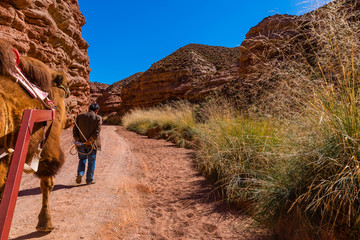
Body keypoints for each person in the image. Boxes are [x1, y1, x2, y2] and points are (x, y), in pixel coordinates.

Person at [73, 103, 102, 184]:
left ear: (89, 108)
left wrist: (77, 139)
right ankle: (89, 179)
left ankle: (80, 174)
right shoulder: (98, 118)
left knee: (82, 159)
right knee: (91, 162)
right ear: (97, 110)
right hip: (92, 145)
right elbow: (97, 132)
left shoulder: (80, 117)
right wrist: (90, 140)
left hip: (81, 144)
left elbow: (75, 130)